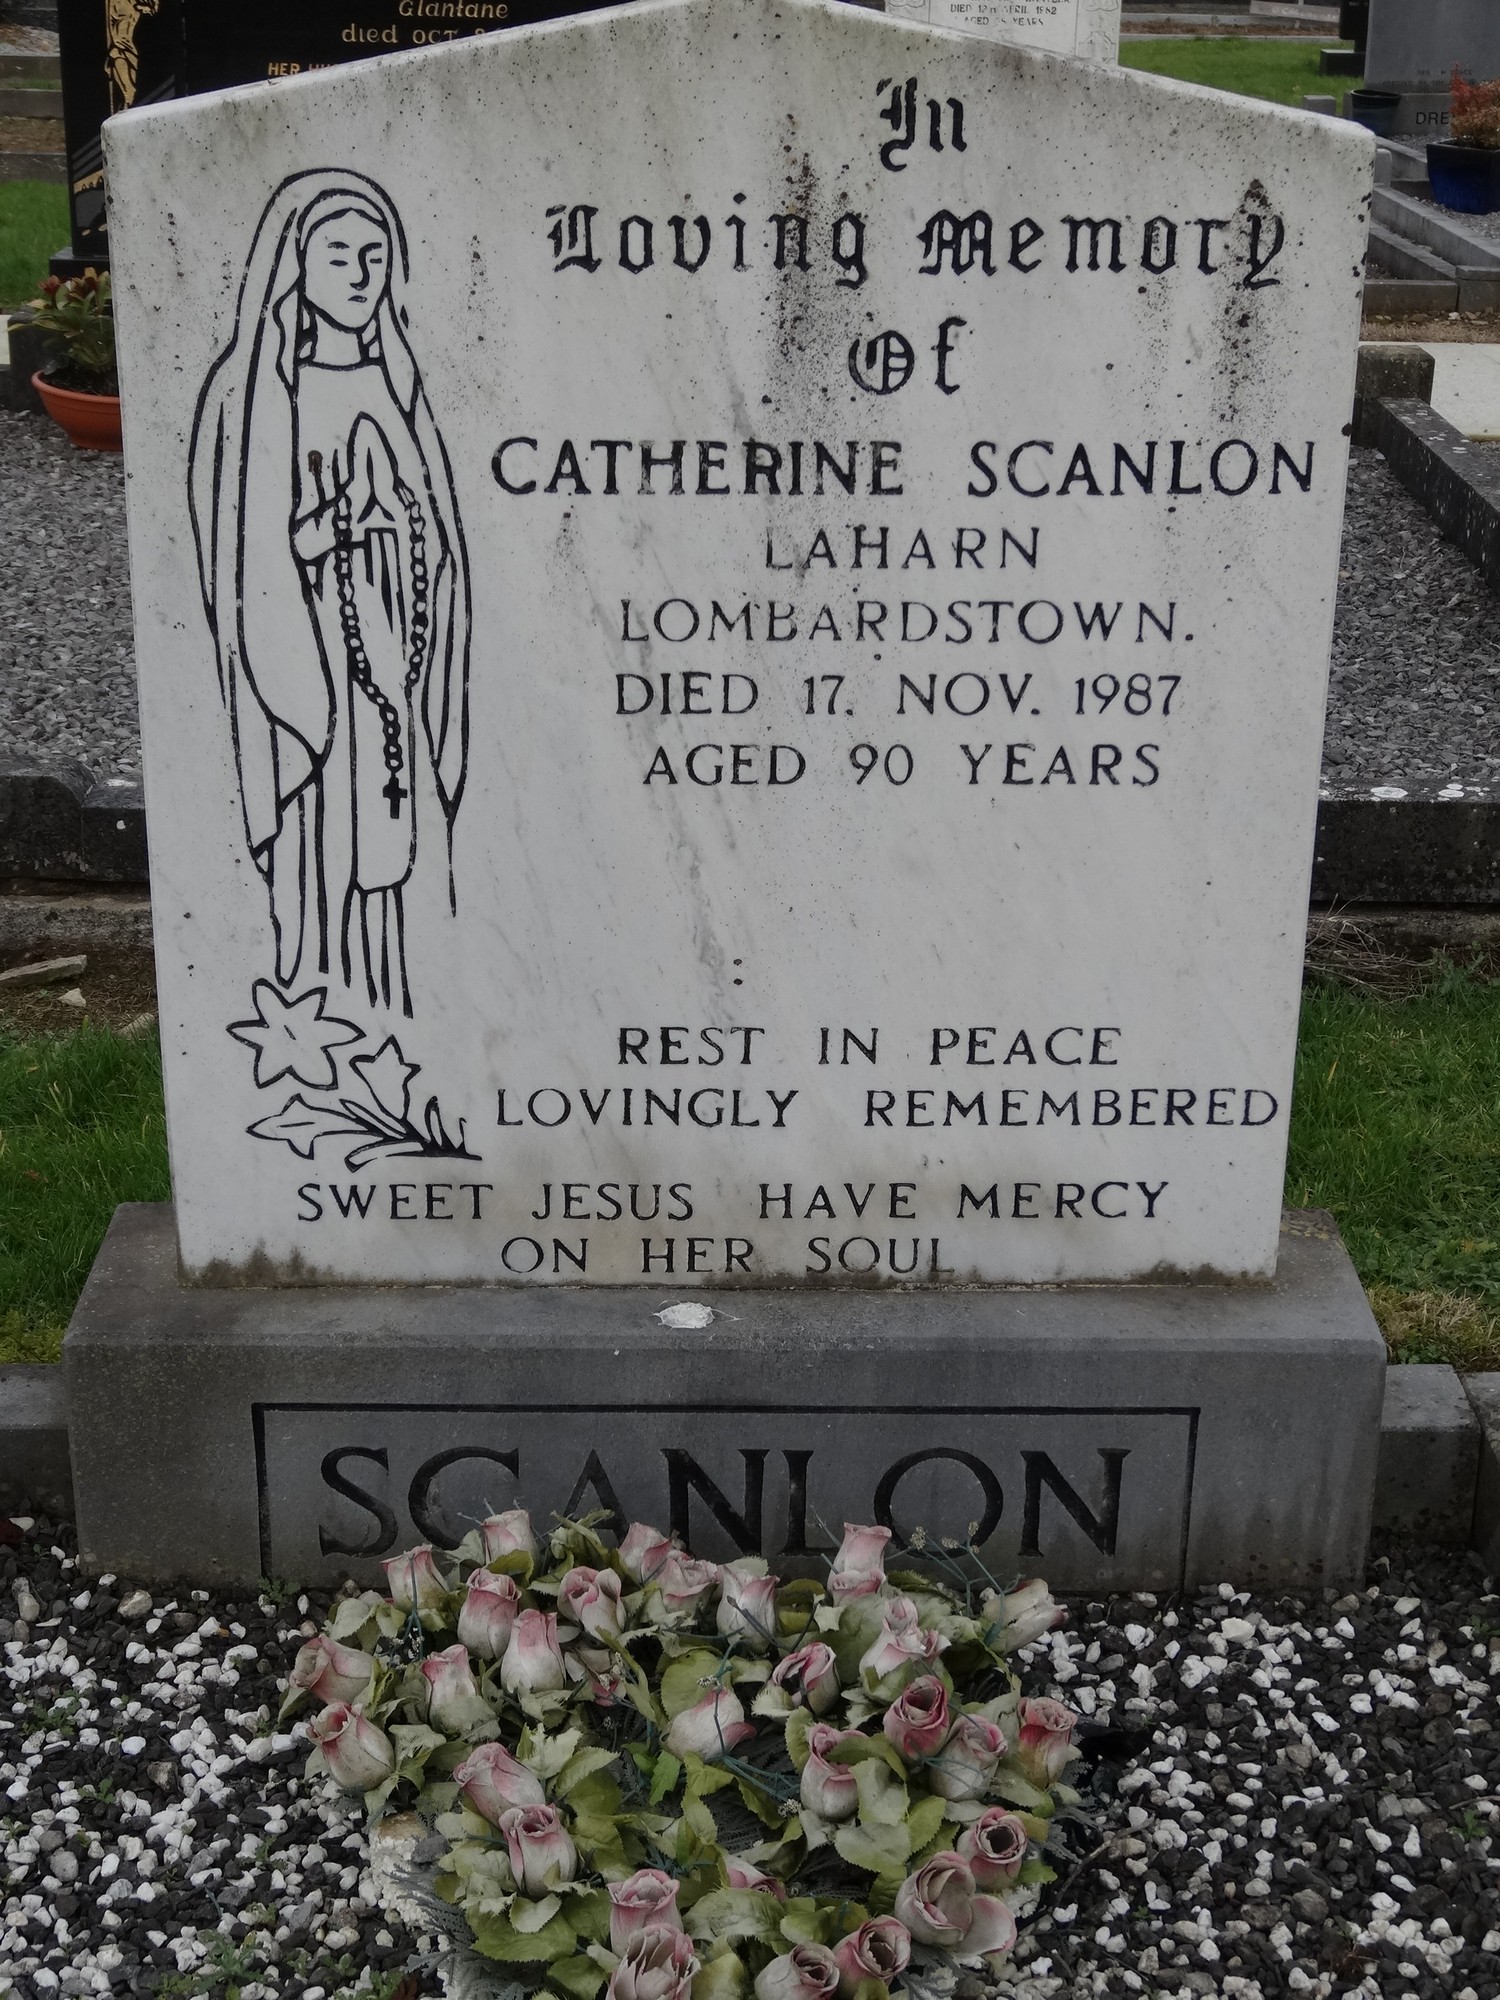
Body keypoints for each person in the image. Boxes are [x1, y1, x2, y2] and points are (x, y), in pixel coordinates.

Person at [189, 169, 470, 1016]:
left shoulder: (399, 380)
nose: (359, 273)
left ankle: (408, 1012)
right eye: (338, 254)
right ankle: (327, 1004)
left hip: (398, 656)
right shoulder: (255, 393)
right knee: (331, 833)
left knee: (402, 834)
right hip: (315, 664)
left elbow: (442, 533)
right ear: (297, 265)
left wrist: (403, 527)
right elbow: (237, 555)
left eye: (375, 256)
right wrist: (323, 534)